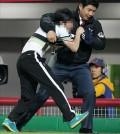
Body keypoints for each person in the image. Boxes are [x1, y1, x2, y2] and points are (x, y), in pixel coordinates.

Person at [4, 0, 106, 133]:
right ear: (81, 6)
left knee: (89, 92)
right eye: (89, 10)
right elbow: (46, 19)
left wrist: (84, 35)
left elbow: (101, 43)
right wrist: (56, 30)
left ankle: (11, 120)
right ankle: (69, 117)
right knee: (49, 90)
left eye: (94, 11)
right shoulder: (63, 21)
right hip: (51, 62)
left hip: (78, 66)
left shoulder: (93, 24)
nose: (91, 13)